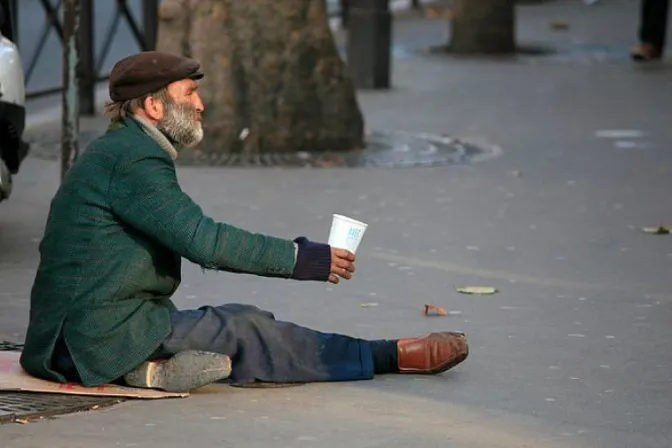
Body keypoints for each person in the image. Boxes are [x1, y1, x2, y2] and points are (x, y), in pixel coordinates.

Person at [19, 51, 469, 392]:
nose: (200, 104)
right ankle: (390, 356)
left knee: (235, 326)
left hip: (76, 332)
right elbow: (205, 241)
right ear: (153, 107)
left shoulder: (118, 150)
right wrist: (302, 258)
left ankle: (143, 365)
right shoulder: (133, 159)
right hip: (87, 339)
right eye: (188, 93)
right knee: (247, 327)